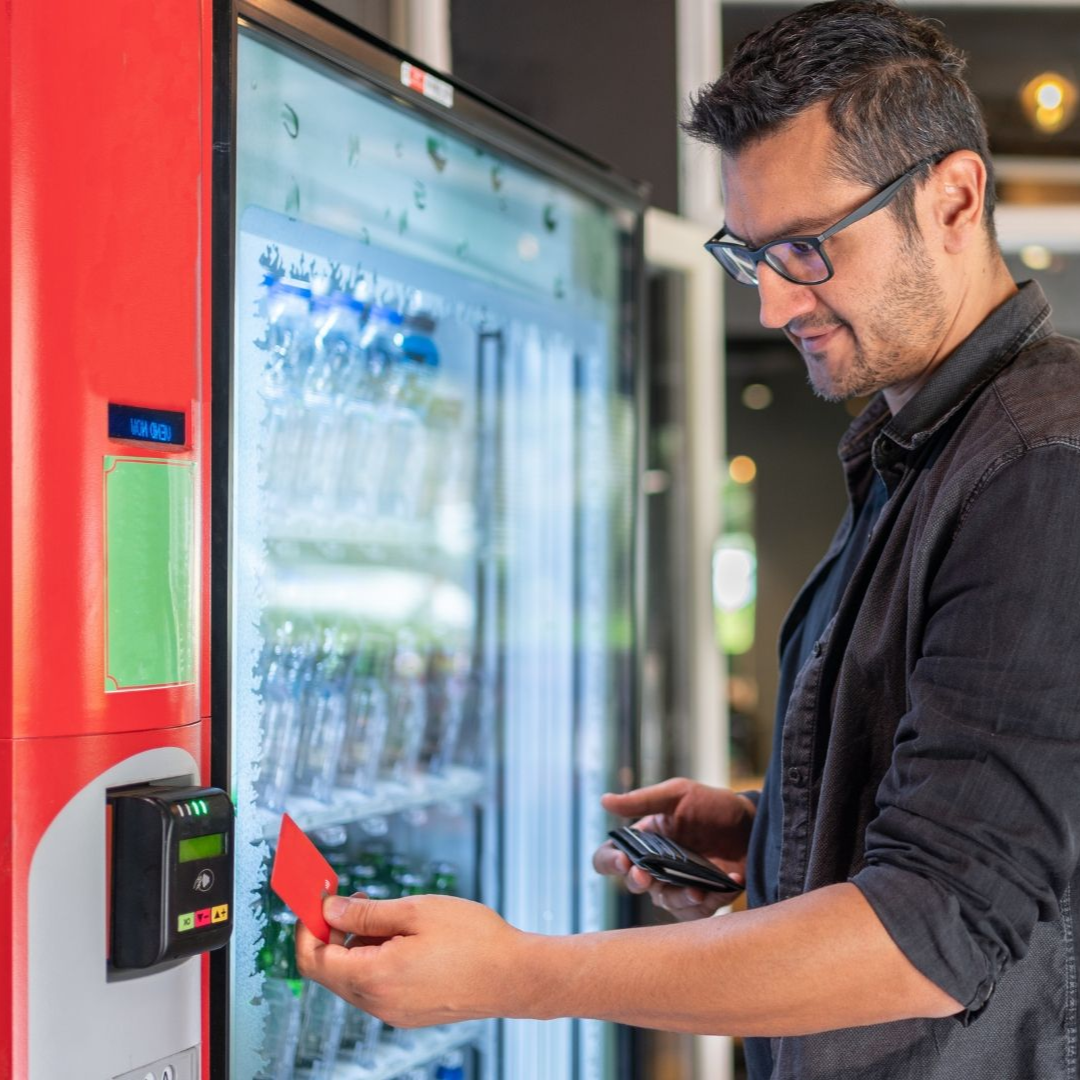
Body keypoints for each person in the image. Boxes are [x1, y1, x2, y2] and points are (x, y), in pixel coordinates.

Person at [296, 3, 1080, 1076]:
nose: (769, 304)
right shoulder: (922, 448)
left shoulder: (1040, 472)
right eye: (748, 254)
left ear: (953, 199)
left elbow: (935, 933)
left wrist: (519, 973)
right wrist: (780, 831)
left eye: (807, 248)